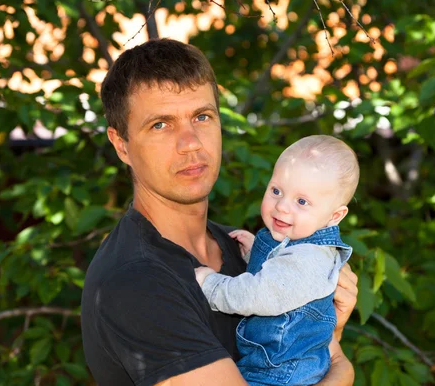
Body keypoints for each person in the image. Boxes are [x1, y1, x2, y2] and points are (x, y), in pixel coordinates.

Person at [80, 38, 358, 386]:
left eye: (202, 116)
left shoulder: (250, 248)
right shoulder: (137, 281)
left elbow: (291, 363)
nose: (191, 142)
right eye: (161, 125)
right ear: (122, 145)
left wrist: (330, 326)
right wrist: (343, 371)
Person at [195, 135, 359, 385]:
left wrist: (211, 285)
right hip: (274, 366)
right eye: (276, 190)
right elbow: (280, 274)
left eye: (302, 201)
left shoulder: (310, 258)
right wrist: (256, 253)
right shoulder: (296, 241)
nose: (282, 206)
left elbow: (258, 294)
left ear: (334, 216)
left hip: (280, 374)